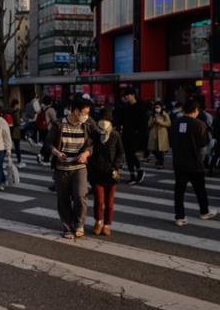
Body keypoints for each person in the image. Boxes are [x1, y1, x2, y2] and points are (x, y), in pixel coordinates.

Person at [47, 96, 93, 240]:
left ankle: (79, 224)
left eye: (87, 113)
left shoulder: (87, 124)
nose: (86, 116)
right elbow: (48, 143)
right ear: (75, 110)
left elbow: (91, 144)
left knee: (80, 196)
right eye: (83, 113)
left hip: (79, 166)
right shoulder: (59, 124)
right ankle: (67, 227)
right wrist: (57, 153)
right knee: (63, 198)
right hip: (62, 167)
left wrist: (86, 153)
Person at [171, 101, 218, 226]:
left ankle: (179, 217)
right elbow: (203, 143)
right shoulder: (199, 124)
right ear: (196, 110)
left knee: (179, 191)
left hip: (179, 162)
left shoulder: (176, 122)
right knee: (200, 190)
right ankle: (204, 211)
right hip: (194, 162)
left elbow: (172, 140)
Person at [88, 109, 124, 237]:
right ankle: (98, 222)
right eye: (101, 120)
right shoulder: (94, 135)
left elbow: (120, 153)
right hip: (96, 173)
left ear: (110, 122)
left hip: (111, 174)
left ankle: (107, 224)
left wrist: (116, 166)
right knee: (99, 200)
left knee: (109, 202)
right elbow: (88, 151)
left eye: (106, 120)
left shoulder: (115, 135)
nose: (103, 122)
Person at [115, 88, 148, 184]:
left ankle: (139, 170)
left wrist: (142, 136)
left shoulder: (140, 106)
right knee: (128, 155)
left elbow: (143, 123)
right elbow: (120, 120)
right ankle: (133, 175)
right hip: (126, 134)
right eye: (125, 95)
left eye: (128, 95)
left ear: (133, 95)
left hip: (136, 135)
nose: (126, 97)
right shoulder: (126, 107)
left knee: (131, 154)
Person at [147, 101, 171, 169]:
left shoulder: (165, 114)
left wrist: (161, 122)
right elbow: (148, 125)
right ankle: (159, 160)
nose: (157, 109)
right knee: (154, 149)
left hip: (162, 134)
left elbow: (169, 123)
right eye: (155, 107)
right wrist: (153, 121)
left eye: (158, 107)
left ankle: (161, 163)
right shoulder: (152, 115)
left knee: (160, 150)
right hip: (154, 134)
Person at [36, 96, 58, 164]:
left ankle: (41, 154)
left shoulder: (41, 109)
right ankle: (46, 159)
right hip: (49, 129)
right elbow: (55, 120)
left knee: (46, 143)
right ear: (50, 102)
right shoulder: (51, 109)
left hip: (42, 129)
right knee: (49, 144)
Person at [8, 99, 24, 167]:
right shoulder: (16, 112)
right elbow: (17, 122)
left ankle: (9, 160)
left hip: (10, 130)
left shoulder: (9, 111)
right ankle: (19, 161)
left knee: (9, 146)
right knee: (17, 147)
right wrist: (21, 121)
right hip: (16, 131)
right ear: (16, 104)